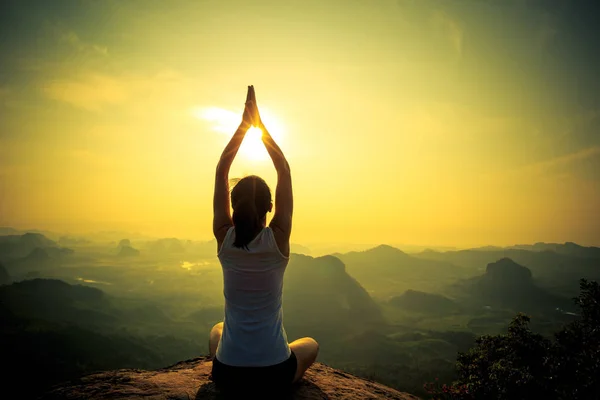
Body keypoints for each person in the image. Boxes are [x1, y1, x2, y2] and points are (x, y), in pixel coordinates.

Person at [209, 85, 319, 395]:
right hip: (274, 374)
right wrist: (260, 126)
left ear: (233, 207)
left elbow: (221, 171)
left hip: (227, 375)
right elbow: (283, 169)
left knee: (217, 331)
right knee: (310, 344)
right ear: (270, 208)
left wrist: (243, 128)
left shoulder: (224, 238)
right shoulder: (278, 241)